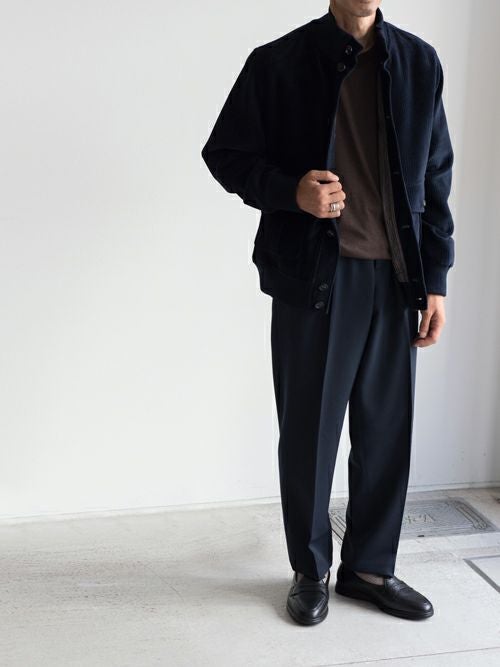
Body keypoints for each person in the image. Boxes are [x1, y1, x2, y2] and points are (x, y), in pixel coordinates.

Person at [201, 0, 454, 625]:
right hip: (315, 277)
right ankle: (310, 570)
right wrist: (292, 192)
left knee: (387, 432)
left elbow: (436, 177)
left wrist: (436, 280)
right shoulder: (278, 62)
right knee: (310, 434)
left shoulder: (419, 62)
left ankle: (369, 569)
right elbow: (225, 154)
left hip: (397, 279)